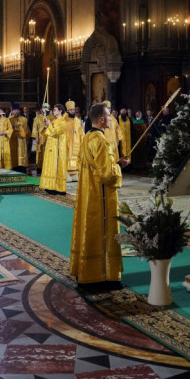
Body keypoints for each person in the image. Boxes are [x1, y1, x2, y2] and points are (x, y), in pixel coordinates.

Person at [70, 102, 127, 288]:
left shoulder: (87, 138)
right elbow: (107, 175)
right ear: (101, 120)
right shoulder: (101, 141)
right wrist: (118, 167)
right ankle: (104, 276)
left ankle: (87, 273)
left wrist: (114, 162)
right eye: (109, 116)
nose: (111, 119)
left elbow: (94, 165)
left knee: (90, 231)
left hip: (89, 193)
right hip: (101, 197)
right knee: (103, 233)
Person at [40, 104, 68, 194]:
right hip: (51, 146)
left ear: (60, 111)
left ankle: (58, 188)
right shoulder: (54, 121)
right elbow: (45, 133)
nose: (53, 111)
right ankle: (50, 186)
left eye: (55, 110)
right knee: (50, 165)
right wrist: (46, 126)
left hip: (58, 147)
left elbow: (55, 132)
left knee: (56, 166)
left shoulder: (63, 121)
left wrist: (49, 125)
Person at [64, 100, 84, 180]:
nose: (73, 111)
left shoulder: (78, 121)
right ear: (67, 111)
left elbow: (81, 132)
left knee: (76, 158)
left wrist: (83, 141)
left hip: (76, 143)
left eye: (73, 110)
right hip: (67, 144)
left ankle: (75, 174)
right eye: (71, 110)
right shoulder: (64, 120)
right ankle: (67, 174)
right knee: (67, 158)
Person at [30, 103, 52, 172]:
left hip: (49, 137)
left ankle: (48, 167)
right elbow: (35, 128)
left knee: (49, 152)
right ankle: (39, 167)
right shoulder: (37, 118)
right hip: (40, 137)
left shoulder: (52, 117)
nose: (45, 110)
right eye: (44, 108)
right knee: (40, 153)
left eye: (47, 108)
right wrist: (36, 137)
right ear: (41, 109)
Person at [8, 103, 29, 172]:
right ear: (12, 111)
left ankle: (22, 169)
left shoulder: (24, 119)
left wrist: (19, 127)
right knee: (14, 154)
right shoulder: (9, 120)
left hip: (21, 140)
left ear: (19, 111)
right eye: (14, 110)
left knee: (21, 154)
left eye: (17, 110)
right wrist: (12, 126)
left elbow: (26, 130)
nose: (16, 111)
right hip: (12, 140)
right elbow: (7, 130)